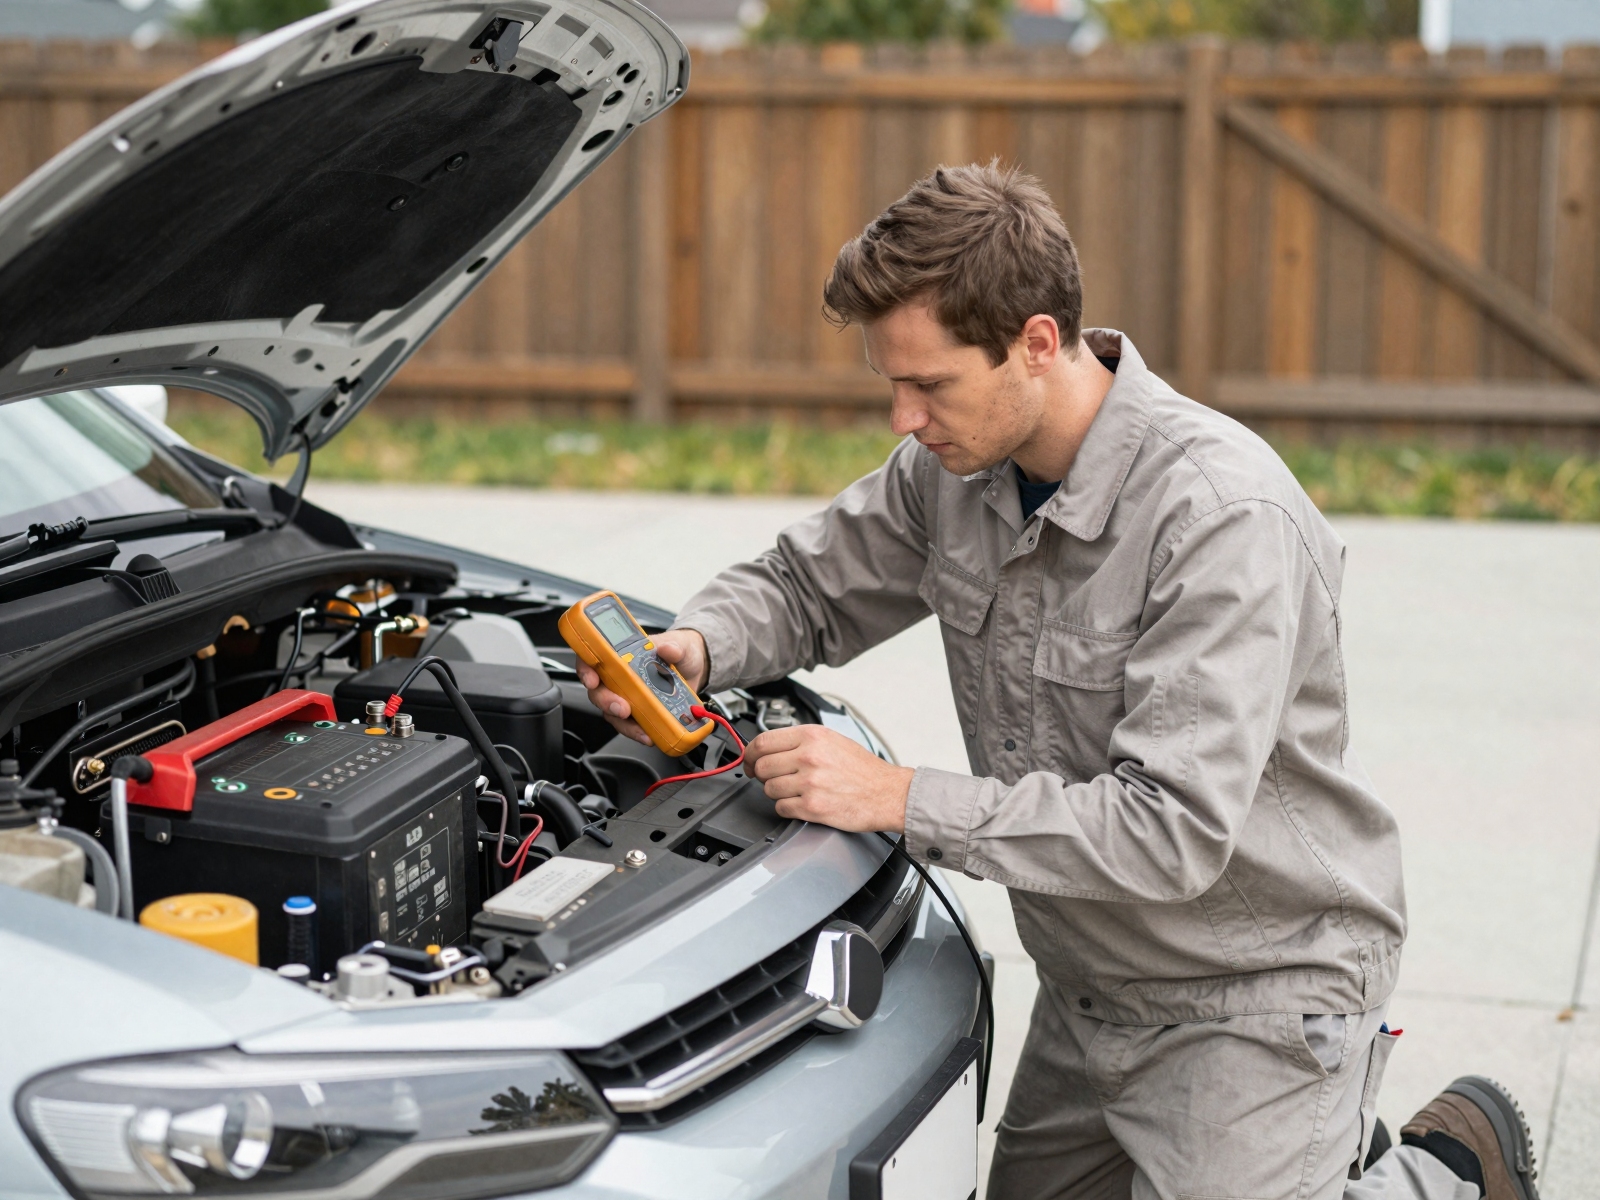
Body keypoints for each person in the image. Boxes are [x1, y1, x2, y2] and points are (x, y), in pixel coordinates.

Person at [576, 163, 1540, 1200]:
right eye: (890, 385)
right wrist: (701, 646)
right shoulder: (953, 471)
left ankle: (1444, 1170)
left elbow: (1166, 831)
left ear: (1036, 342)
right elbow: (807, 584)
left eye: (930, 385)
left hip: (1256, 989)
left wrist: (897, 799)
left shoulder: (1219, 517)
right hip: (1092, 988)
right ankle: (1304, 1155)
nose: (903, 419)